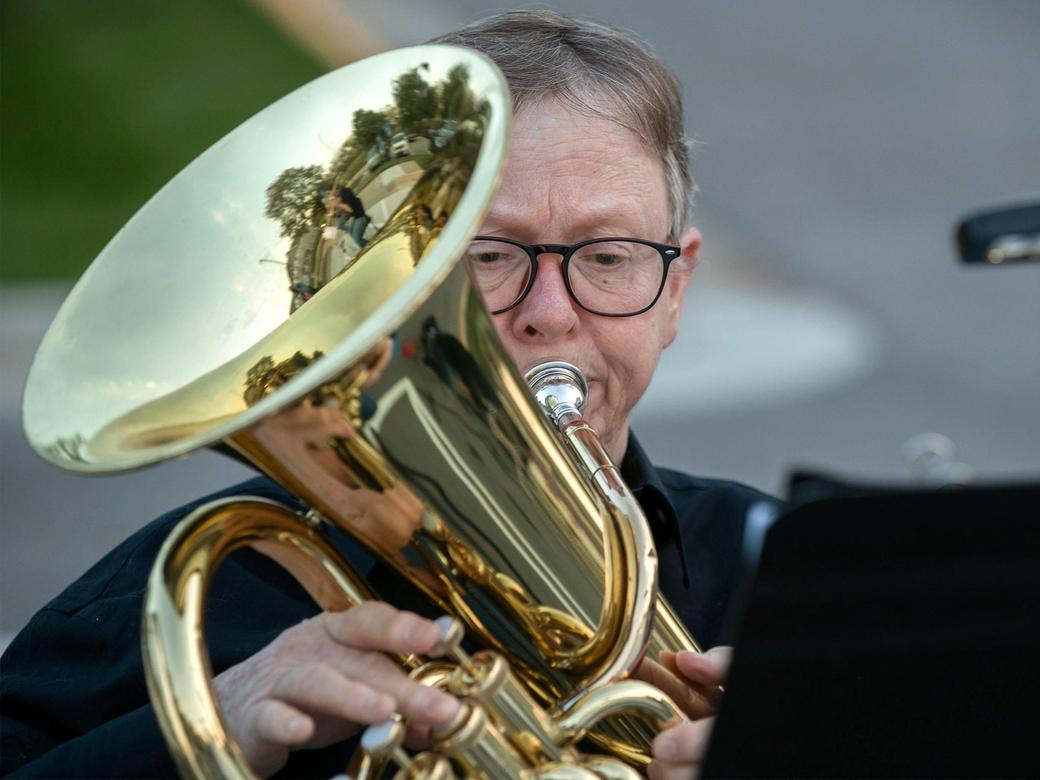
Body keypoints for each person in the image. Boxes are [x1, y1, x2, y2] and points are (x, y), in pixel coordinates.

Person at [1, 11, 777, 779]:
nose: (549, 312)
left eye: (609, 257)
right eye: (487, 255)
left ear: (674, 292)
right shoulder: (198, 599)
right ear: (378, 286)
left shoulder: (779, 578)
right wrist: (210, 728)